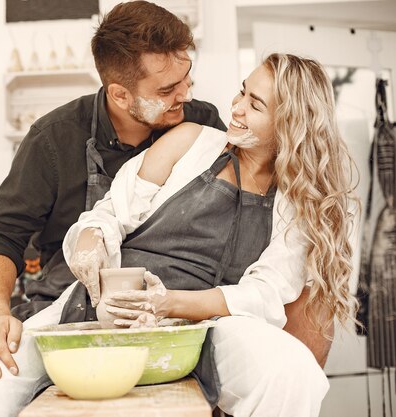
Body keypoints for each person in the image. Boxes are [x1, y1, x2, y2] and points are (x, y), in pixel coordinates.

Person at [0, 0, 225, 400]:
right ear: (119, 93)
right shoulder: (54, 139)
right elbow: (0, 238)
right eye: (167, 90)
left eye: (186, 79)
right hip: (68, 314)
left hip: (179, 315)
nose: (185, 93)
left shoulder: (201, 124)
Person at [61, 53, 360, 416]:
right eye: (242, 92)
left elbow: (263, 293)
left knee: (294, 371)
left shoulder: (297, 203)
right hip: (115, 310)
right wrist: (90, 241)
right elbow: (110, 213)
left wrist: (169, 303)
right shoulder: (191, 141)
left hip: (212, 324)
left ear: (289, 126)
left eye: (255, 105)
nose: (235, 108)